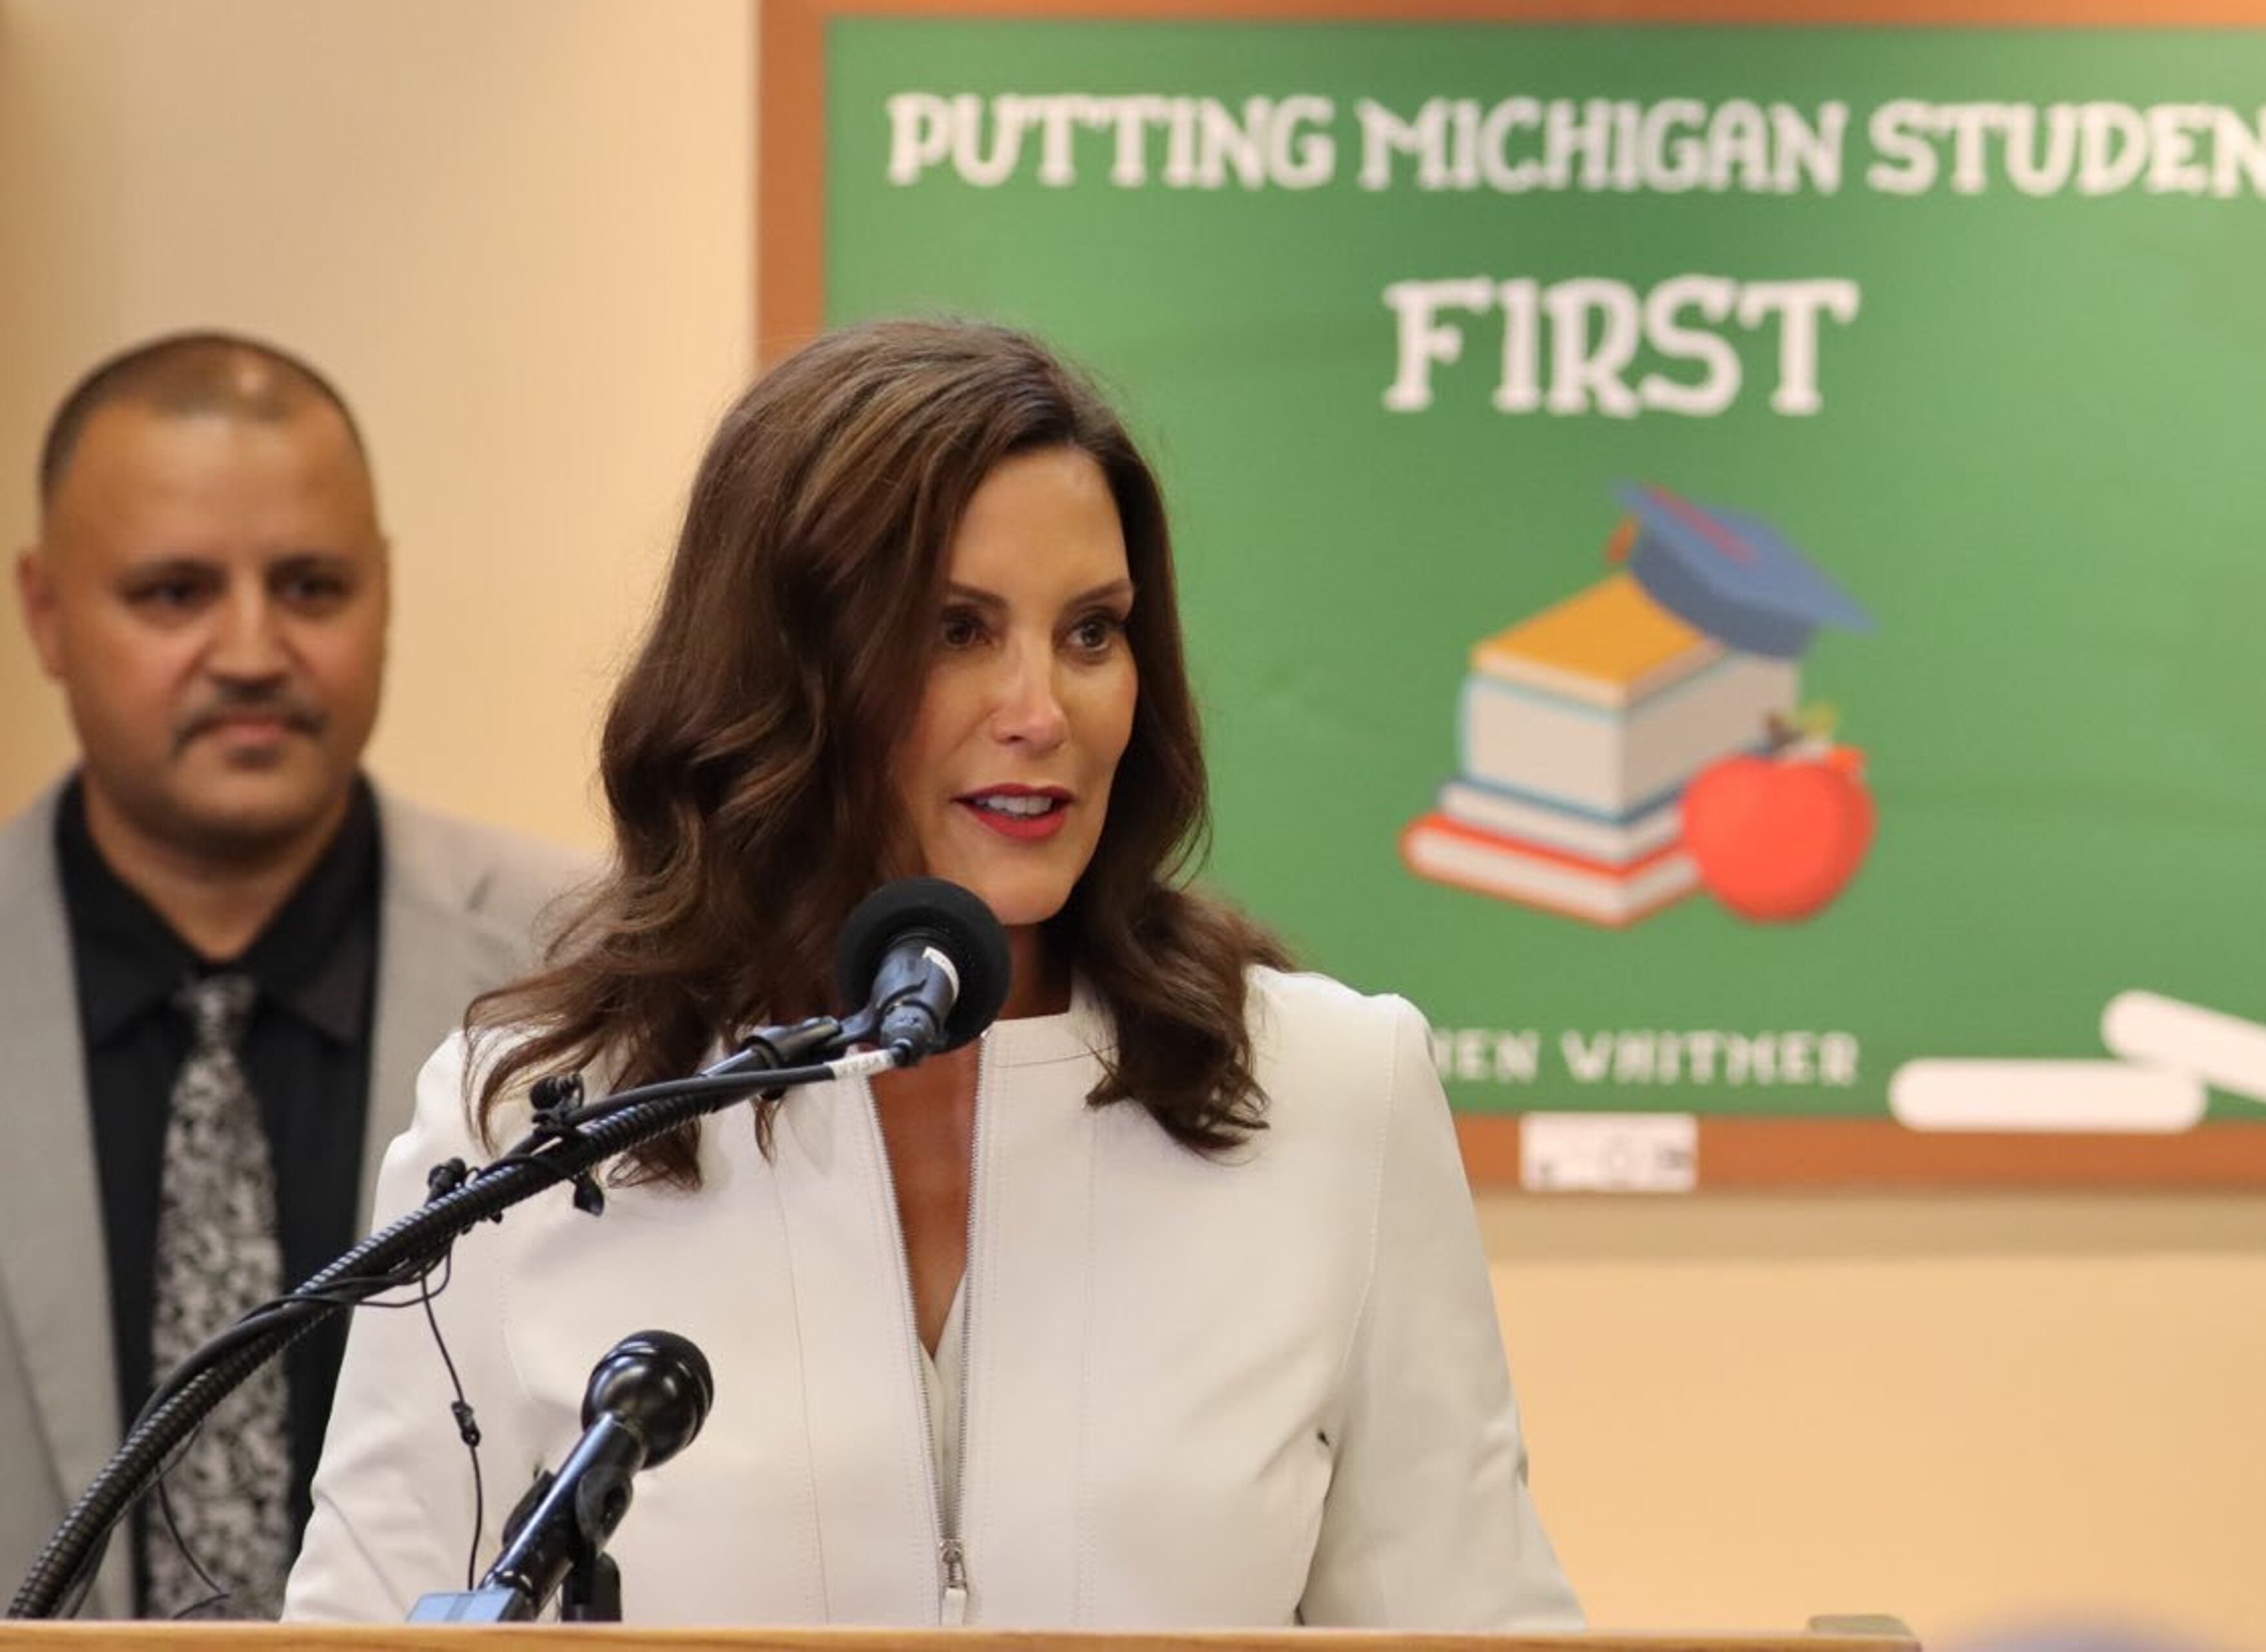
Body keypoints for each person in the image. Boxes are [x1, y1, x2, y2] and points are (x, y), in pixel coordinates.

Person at [283, 318, 1582, 1628]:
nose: (1041, 708)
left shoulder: (1327, 1091)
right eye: (957, 631)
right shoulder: (520, 1123)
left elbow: (1472, 1627)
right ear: (781, 674)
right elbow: (359, 1629)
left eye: (1091, 632)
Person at [0, 332, 588, 1618]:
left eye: (313, 587)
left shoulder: (596, 974)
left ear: (384, 591)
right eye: (173, 594)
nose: (254, 650)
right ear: (44, 612)